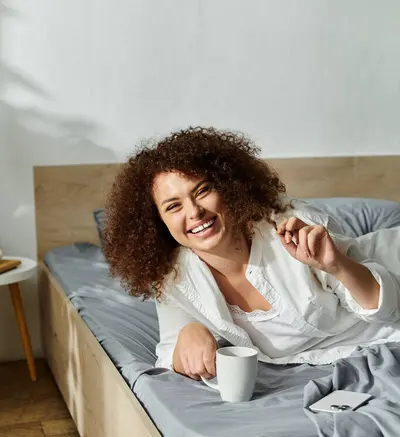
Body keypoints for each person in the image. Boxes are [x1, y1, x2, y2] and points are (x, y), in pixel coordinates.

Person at [103, 127, 400, 380]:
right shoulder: (173, 276)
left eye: (203, 191)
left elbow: (385, 308)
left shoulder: (294, 229)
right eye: (173, 206)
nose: (194, 212)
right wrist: (187, 335)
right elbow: (170, 352)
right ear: (158, 221)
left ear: (228, 188)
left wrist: (338, 266)